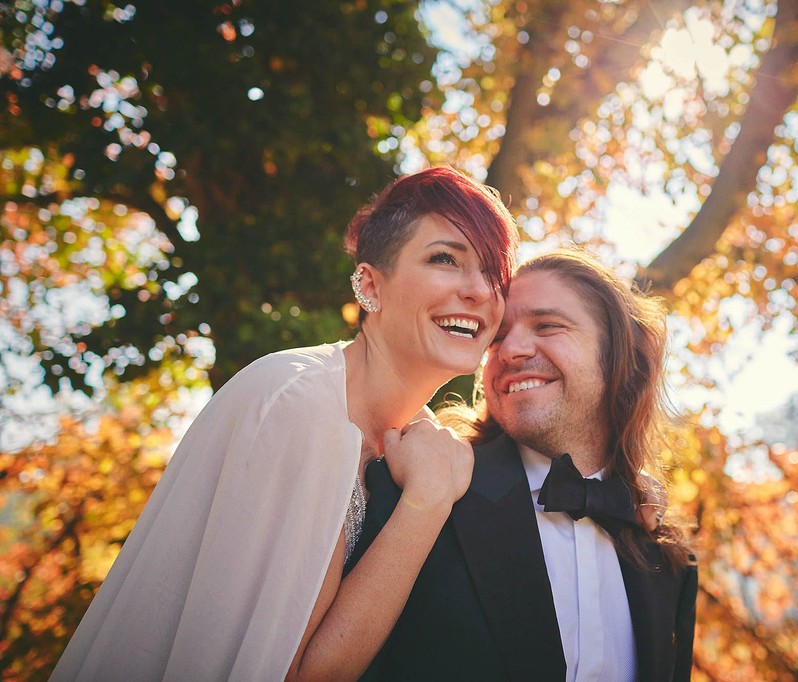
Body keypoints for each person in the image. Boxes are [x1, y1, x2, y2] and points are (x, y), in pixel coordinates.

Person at [49, 166, 519, 682]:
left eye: (494, 273)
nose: (479, 291)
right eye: (445, 259)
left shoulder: (420, 442)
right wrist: (424, 504)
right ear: (369, 284)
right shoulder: (300, 401)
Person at [352, 249, 699, 681]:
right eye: (496, 337)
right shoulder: (416, 488)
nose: (510, 350)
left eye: (547, 326)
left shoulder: (671, 561)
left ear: (620, 357)